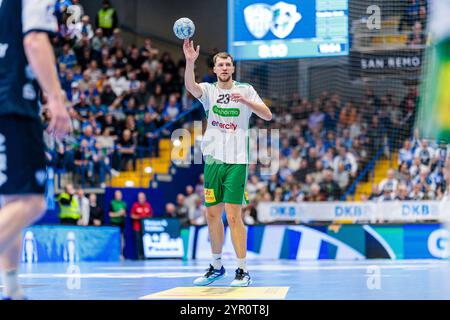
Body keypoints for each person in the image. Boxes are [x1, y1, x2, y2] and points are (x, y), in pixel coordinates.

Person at [183, 39, 272, 287]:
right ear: (214, 69)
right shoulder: (209, 91)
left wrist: (245, 102)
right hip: (212, 160)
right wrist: (190, 61)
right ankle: (216, 265)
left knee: (234, 216)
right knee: (212, 215)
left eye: (228, 64)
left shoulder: (245, 89)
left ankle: (242, 270)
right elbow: (190, 85)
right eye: (220, 64)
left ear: (233, 69)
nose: (224, 68)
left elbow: (267, 114)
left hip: (236, 161)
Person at [0, 0, 72, 300]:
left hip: (8, 100)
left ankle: (13, 290)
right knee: (32, 203)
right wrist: (56, 99)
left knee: (11, 202)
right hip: (13, 104)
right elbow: (34, 39)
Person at [130, 192, 153, 259]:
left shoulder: (148, 205)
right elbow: (132, 215)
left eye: (142, 198)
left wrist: (146, 218)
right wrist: (140, 217)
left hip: (146, 228)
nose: (141, 199)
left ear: (145, 198)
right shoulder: (135, 205)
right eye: (140, 198)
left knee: (146, 242)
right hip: (137, 227)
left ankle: (146, 255)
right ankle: (139, 256)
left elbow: (150, 215)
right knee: (138, 242)